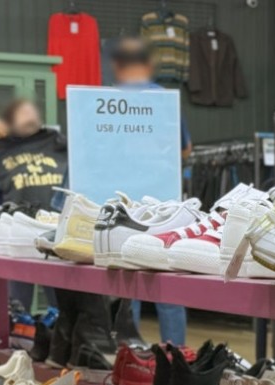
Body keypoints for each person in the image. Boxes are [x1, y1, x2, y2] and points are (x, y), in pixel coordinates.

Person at [0, 100, 114, 367]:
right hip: (19, 231)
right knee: (17, 306)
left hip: (56, 229)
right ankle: (14, 359)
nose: (30, 114)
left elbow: (93, 147)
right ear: (10, 118)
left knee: (67, 303)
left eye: (33, 110)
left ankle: (63, 349)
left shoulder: (56, 141)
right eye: (22, 110)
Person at [110, 37, 192, 346]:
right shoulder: (165, 100)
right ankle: (176, 356)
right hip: (164, 201)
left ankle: (130, 355)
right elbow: (185, 149)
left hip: (122, 202)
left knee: (127, 284)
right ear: (148, 65)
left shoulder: (106, 100)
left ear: (117, 65)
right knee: (168, 284)